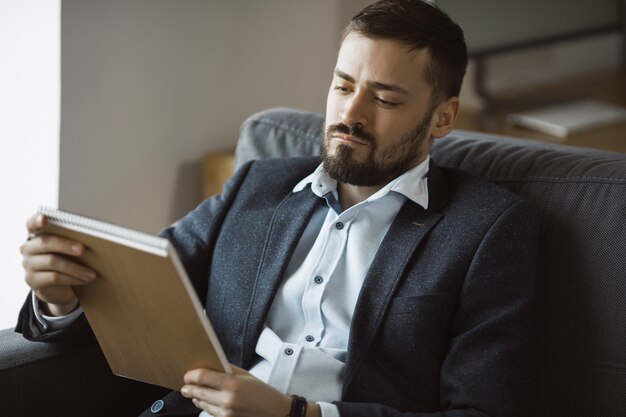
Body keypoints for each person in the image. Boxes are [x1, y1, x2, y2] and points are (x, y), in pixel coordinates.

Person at [17, 1, 540, 416]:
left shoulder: (488, 229)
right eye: (342, 85)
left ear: (442, 117)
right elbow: (144, 303)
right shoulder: (257, 186)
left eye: (384, 99)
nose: (350, 114)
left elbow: (483, 411)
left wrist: (300, 415)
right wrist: (61, 299)